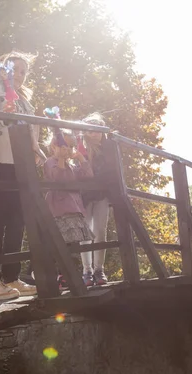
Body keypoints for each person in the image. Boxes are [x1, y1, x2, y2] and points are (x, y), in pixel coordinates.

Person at [0, 51, 46, 300]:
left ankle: (12, 277)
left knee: (18, 221)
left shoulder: (25, 98)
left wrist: (36, 148)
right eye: (15, 70)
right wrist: (4, 113)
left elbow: (31, 128)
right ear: (3, 69)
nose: (19, 75)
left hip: (20, 166)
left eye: (24, 72)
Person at [44, 128, 95, 286]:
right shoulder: (50, 162)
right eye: (63, 146)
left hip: (74, 208)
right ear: (54, 146)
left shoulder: (72, 165)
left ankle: (72, 274)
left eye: (69, 146)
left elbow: (88, 176)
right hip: (60, 209)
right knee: (62, 244)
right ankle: (62, 275)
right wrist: (60, 159)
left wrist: (81, 159)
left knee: (74, 244)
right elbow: (57, 178)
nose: (66, 150)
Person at [79, 113, 110, 285]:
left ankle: (99, 269)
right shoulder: (80, 146)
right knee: (85, 233)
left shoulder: (108, 148)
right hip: (83, 195)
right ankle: (87, 271)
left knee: (100, 231)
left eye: (97, 128)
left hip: (101, 194)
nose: (94, 133)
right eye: (90, 129)